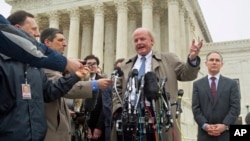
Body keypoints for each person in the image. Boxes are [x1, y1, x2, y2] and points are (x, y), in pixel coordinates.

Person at [111, 27, 203, 141]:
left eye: (142, 39)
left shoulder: (168, 59)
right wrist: (118, 109)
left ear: (152, 41)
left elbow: (186, 75)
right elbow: (117, 88)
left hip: (160, 117)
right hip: (132, 119)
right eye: (136, 40)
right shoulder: (126, 63)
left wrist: (192, 59)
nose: (139, 42)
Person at [0, 48, 89, 141]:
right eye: (34, 32)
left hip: (36, 136)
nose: (38, 34)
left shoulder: (35, 66)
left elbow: (50, 93)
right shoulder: (3, 62)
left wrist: (75, 76)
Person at [0, 11, 80, 72]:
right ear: (17, 29)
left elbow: (49, 90)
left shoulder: (33, 65)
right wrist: (66, 63)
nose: (38, 34)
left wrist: (75, 76)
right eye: (34, 29)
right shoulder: (35, 61)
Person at [192, 51, 241, 141]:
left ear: (221, 64)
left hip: (226, 135)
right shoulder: (197, 85)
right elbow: (196, 109)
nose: (214, 62)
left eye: (217, 60)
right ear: (206, 63)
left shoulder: (232, 84)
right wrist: (205, 125)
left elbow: (235, 107)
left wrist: (225, 125)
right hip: (204, 135)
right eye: (211, 60)